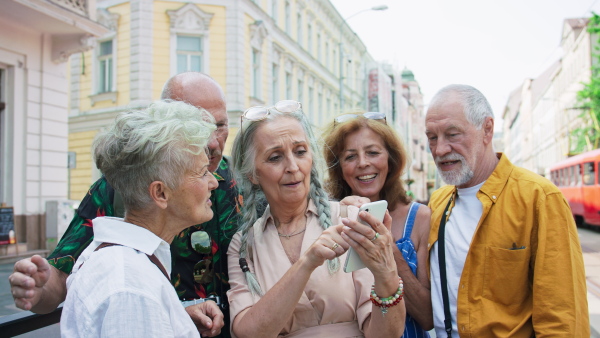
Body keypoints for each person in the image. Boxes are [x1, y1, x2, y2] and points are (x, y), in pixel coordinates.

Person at [9, 72, 238, 337]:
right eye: (199, 125)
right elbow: (64, 279)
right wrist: (37, 288)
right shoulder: (121, 185)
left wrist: (176, 319)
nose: (212, 142)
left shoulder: (236, 180)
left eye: (219, 126)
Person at [226, 100, 405, 337]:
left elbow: (385, 334)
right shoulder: (243, 246)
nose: (293, 167)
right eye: (275, 158)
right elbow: (247, 333)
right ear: (253, 174)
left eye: (300, 152)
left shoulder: (351, 220)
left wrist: (387, 274)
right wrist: (308, 261)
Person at [425, 84, 589, 337]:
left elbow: (561, 317)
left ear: (487, 130)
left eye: (452, 134)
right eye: (432, 138)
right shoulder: (438, 202)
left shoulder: (539, 198)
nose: (439, 149)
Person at [61, 100, 218, 336]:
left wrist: (174, 317)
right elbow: (131, 307)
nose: (214, 182)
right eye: (202, 172)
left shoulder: (127, 272)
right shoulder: (131, 288)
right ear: (161, 193)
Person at [323, 112, 433, 337]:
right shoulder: (325, 216)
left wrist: (386, 248)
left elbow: (427, 316)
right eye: (350, 156)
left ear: (391, 160)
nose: (363, 163)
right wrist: (339, 217)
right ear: (339, 168)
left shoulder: (419, 217)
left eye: (373, 152)